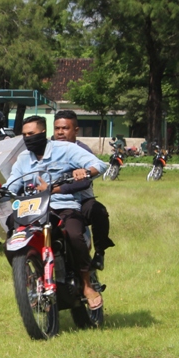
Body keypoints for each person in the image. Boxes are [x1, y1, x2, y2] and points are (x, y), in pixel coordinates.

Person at [0, 115, 107, 309]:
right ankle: (32, 282)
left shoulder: (66, 150)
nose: (27, 138)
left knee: (74, 234)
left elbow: (100, 165)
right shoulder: (23, 158)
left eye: (31, 134)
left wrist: (85, 171)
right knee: (10, 241)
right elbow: (13, 185)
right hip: (32, 209)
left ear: (43, 133)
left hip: (63, 205)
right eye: (24, 135)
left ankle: (86, 284)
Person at [51, 110, 115, 270]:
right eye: (57, 128)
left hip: (81, 199)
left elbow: (85, 181)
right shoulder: (46, 148)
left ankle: (99, 253)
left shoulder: (82, 150)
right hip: (51, 199)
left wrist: (60, 188)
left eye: (65, 128)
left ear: (76, 130)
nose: (60, 132)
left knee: (98, 211)